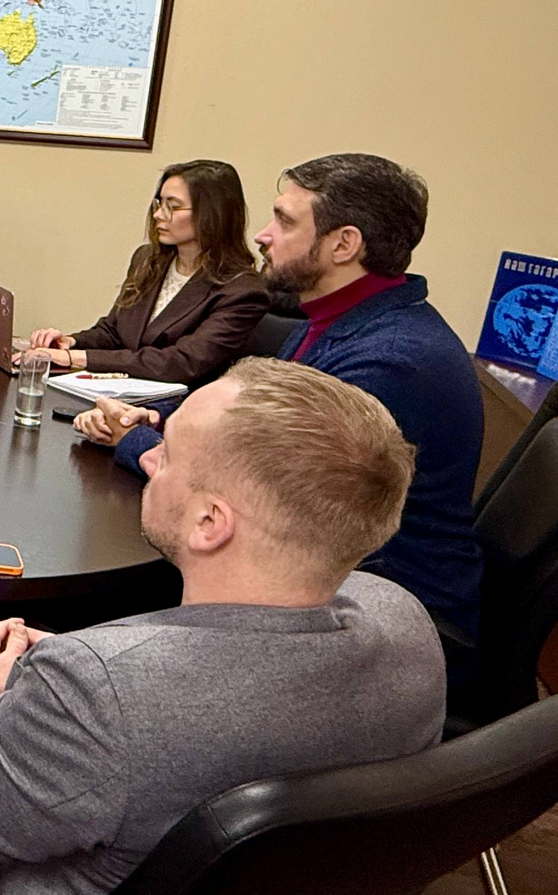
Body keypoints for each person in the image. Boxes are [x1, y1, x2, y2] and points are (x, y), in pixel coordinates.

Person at [0, 358, 444, 895]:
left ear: (210, 522)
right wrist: (87, 666)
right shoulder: (406, 622)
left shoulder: (99, 692)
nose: (149, 459)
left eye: (167, 453)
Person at [77, 153, 483, 656]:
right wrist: (162, 423)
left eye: (284, 221)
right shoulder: (336, 321)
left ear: (343, 244)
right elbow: (256, 429)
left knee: (92, 619)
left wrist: (136, 441)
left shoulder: (388, 364)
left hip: (375, 620)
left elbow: (255, 495)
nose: (262, 236)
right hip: (329, 586)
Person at [26, 160, 270, 384]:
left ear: (213, 214)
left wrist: (76, 358)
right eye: (159, 204)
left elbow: (182, 363)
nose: (158, 215)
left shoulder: (242, 291)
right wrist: (69, 343)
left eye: (173, 207)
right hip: (121, 392)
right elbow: (113, 332)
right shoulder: (147, 260)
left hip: (179, 404)